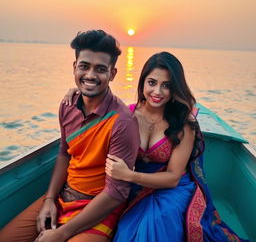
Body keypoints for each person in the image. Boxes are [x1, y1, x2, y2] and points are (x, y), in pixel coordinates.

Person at [64, 51, 249, 242]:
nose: (158, 92)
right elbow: (95, 108)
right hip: (137, 189)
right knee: (127, 232)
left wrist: (129, 175)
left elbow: (173, 178)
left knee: (154, 224)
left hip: (171, 189)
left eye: (166, 85)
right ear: (143, 82)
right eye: (152, 82)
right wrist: (78, 93)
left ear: (175, 88)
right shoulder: (127, 115)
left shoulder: (184, 123)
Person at [0, 30, 140, 242]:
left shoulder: (122, 122)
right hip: (64, 196)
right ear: (75, 67)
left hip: (99, 208)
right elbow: (65, 153)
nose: (91, 75)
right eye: (84, 66)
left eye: (101, 69)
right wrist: (49, 199)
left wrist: (61, 234)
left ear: (112, 74)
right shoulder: (67, 106)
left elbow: (116, 193)